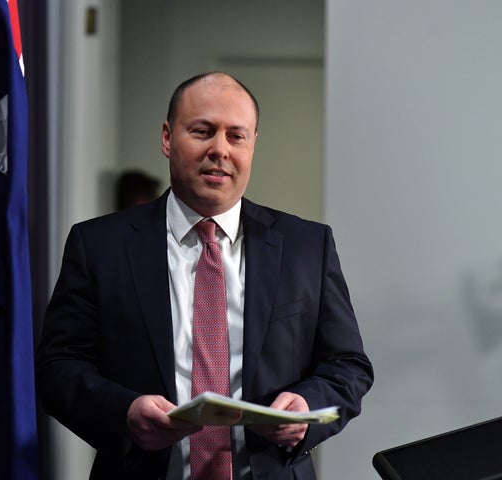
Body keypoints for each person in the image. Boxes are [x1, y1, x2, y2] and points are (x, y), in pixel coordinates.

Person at [36, 72, 373, 479]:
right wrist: (123, 413)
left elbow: (349, 365)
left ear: (252, 146)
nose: (220, 150)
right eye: (202, 131)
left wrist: (306, 406)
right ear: (167, 138)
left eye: (237, 136)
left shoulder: (307, 246)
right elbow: (58, 367)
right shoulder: (99, 245)